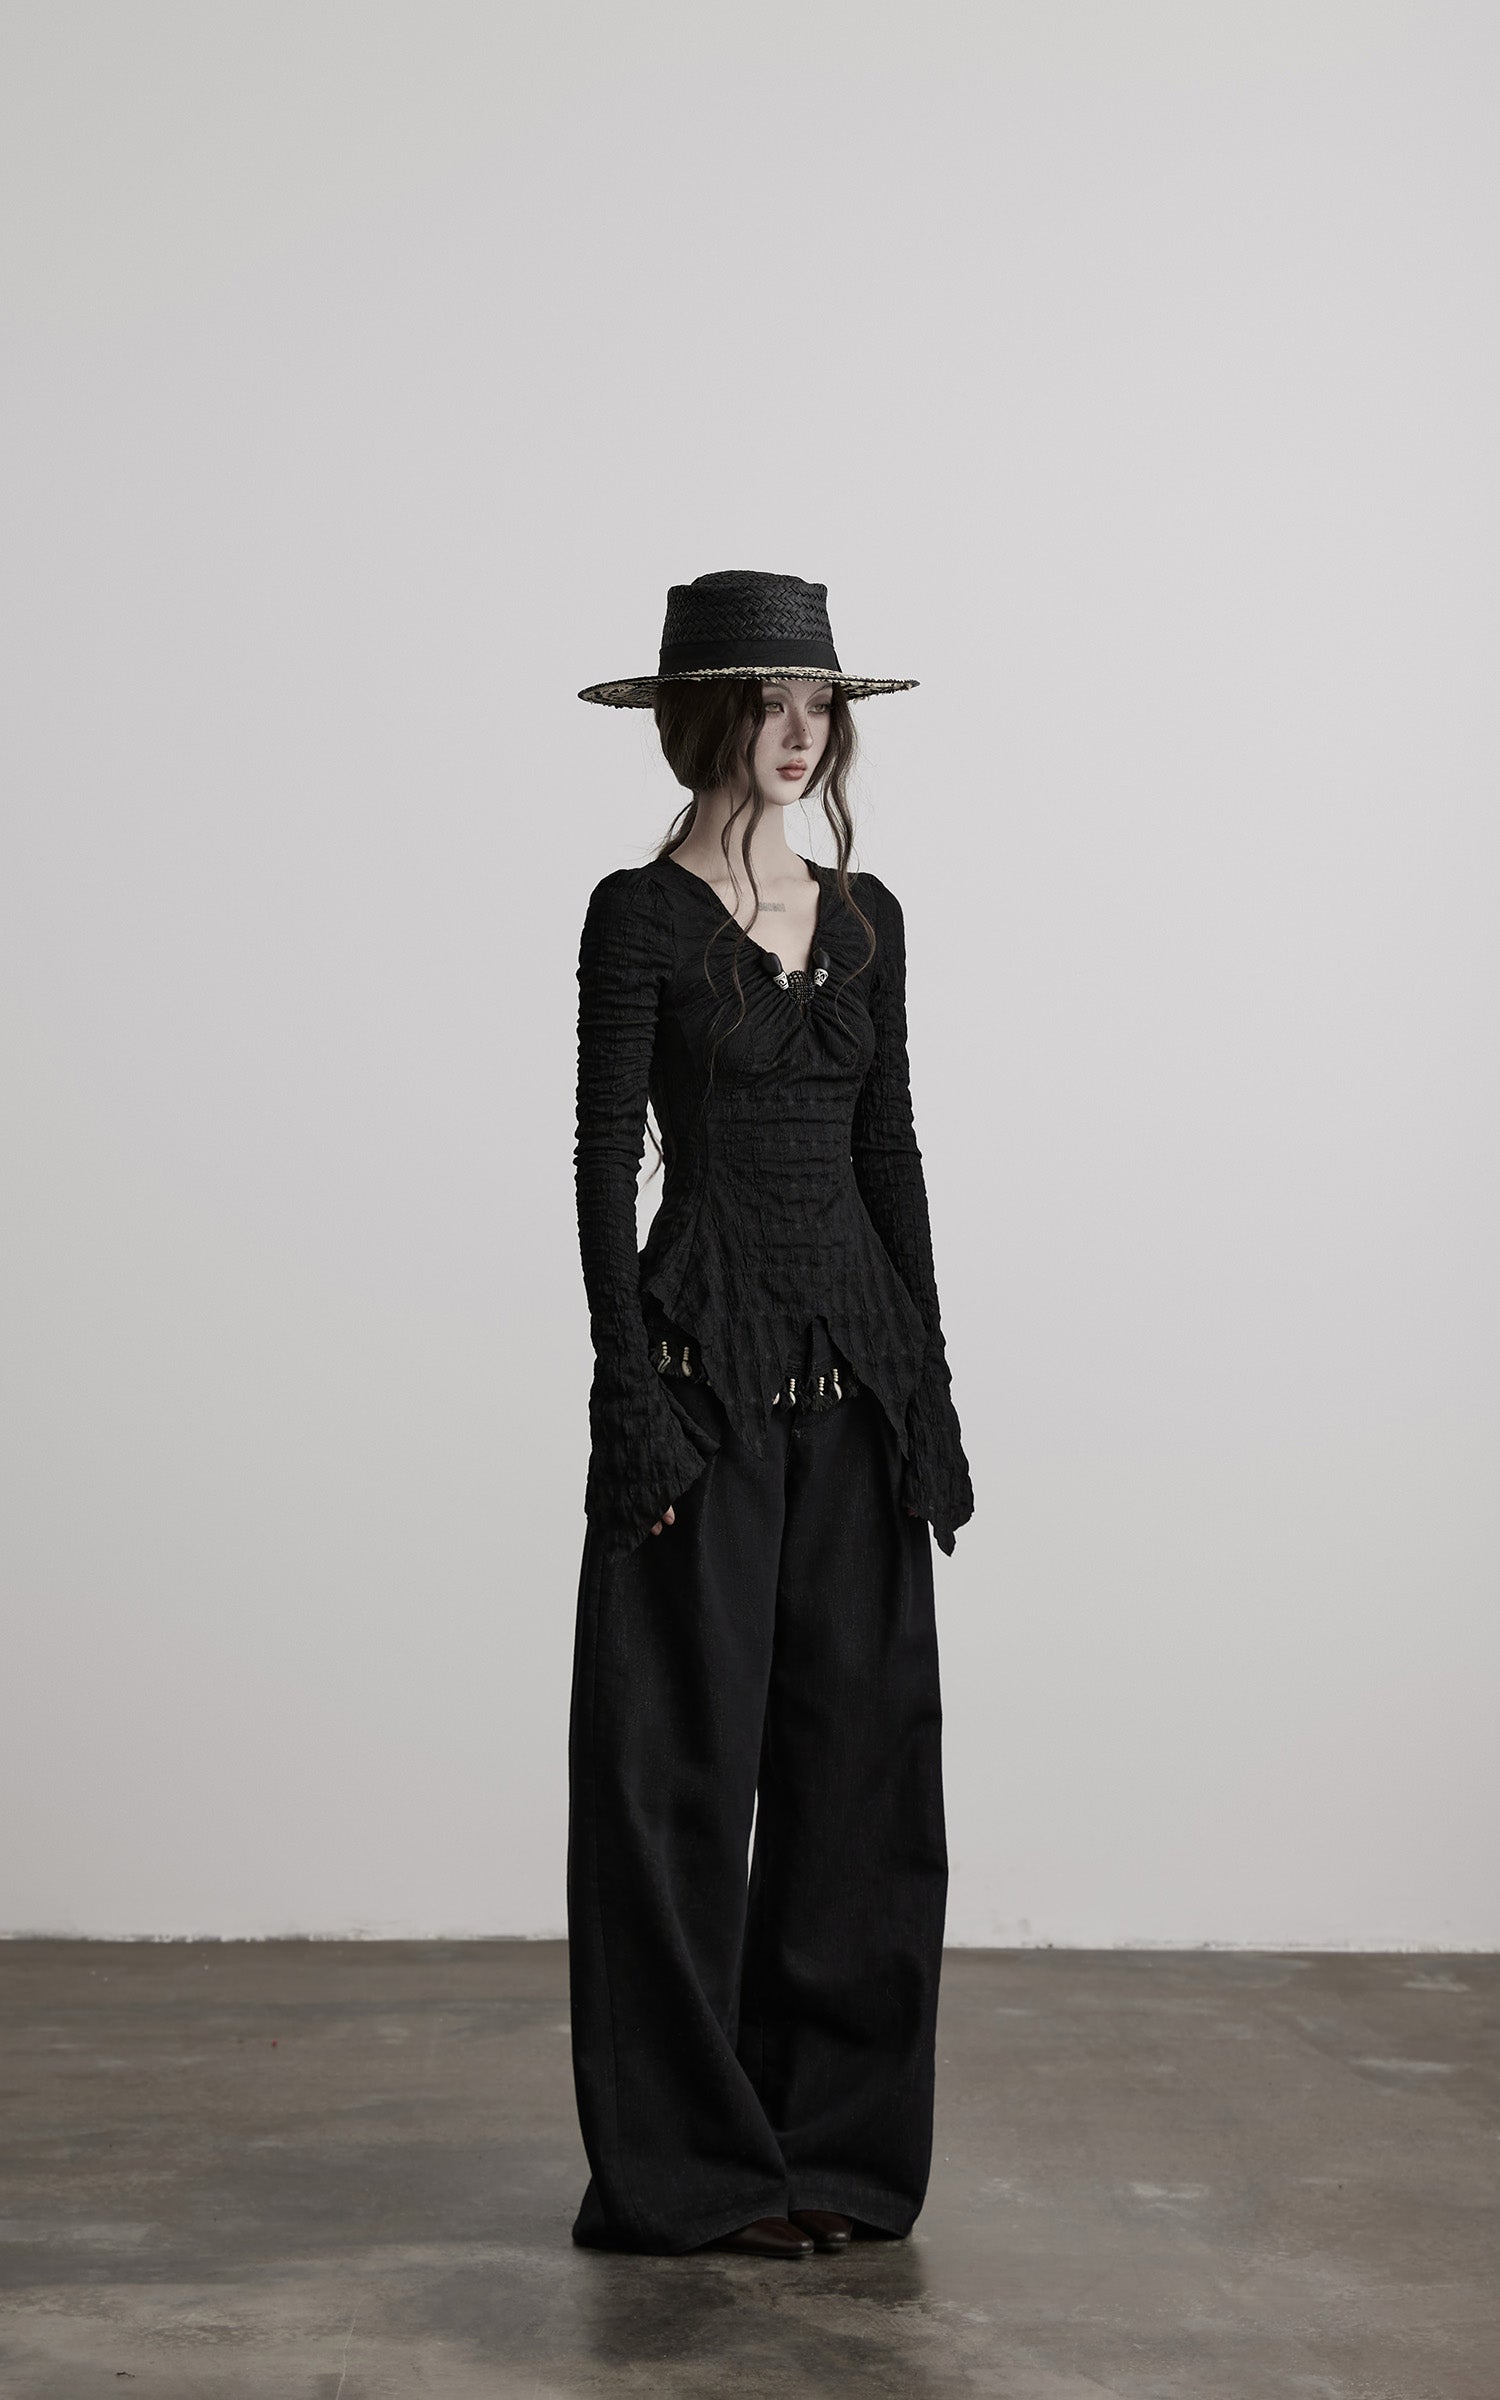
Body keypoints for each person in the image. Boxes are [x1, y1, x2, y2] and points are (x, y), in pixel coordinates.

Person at [567, 568, 974, 2259]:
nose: (802, 732)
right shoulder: (638, 917)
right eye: (770, 702)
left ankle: (835, 2157)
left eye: (820, 705)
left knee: (864, 1787)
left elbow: (891, 1154)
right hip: (704, 1392)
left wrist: (931, 1387)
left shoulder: (867, 920)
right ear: (703, 717)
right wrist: (629, 1400)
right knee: (673, 1788)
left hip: (858, 1394)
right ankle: (692, 2175)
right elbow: (604, 1169)